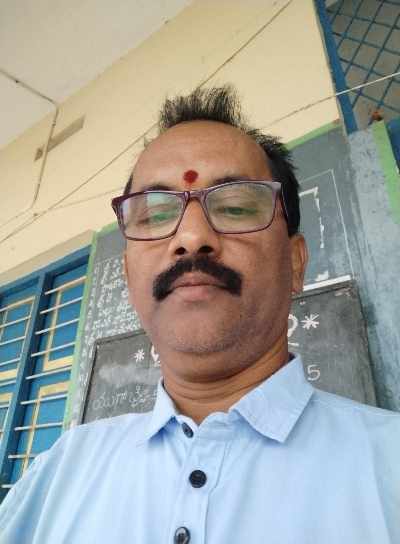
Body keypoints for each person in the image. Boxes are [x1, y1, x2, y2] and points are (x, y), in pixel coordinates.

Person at [0, 86, 399, 544]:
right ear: (128, 274)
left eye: (235, 206)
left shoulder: (389, 467)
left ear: (295, 262)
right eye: (156, 214)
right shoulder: (60, 473)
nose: (191, 237)